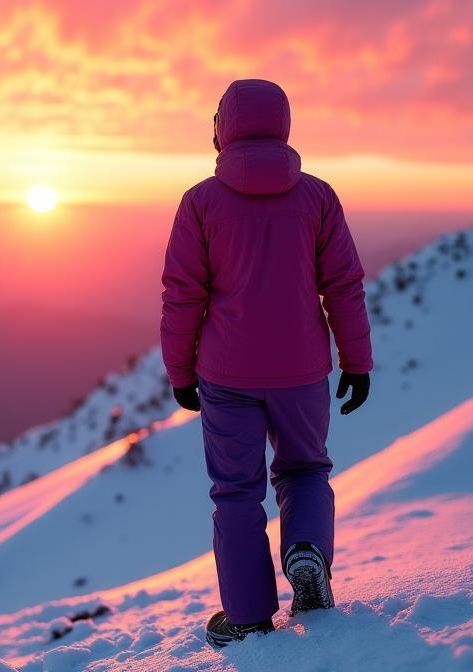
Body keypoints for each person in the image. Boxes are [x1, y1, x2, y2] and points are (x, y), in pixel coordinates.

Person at [159, 78, 373, 649]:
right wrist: (356, 362)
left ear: (222, 129)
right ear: (283, 125)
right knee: (304, 470)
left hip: (226, 374)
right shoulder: (317, 197)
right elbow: (343, 284)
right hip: (302, 370)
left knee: (236, 491)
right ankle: (306, 551)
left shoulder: (200, 202)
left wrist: (180, 371)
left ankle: (248, 616)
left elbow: (182, 294)